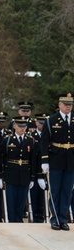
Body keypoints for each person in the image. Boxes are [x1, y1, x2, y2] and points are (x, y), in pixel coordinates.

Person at [39, 92, 74, 230]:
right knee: (55, 190)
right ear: (59, 104)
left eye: (70, 105)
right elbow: (44, 142)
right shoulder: (51, 120)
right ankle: (54, 219)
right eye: (65, 104)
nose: (68, 107)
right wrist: (44, 161)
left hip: (71, 160)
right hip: (56, 159)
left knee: (67, 190)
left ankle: (63, 218)